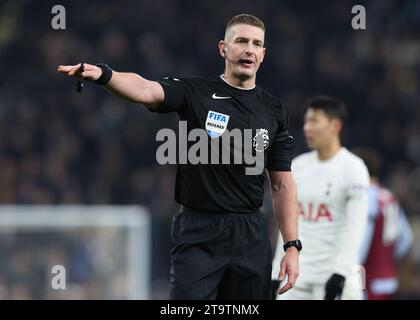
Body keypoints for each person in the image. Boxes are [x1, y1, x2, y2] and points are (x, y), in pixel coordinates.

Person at [58, 14, 300, 300]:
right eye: (241, 41)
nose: (249, 49)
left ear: (263, 54)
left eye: (256, 44)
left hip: (250, 235)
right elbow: (146, 89)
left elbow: (281, 184)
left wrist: (291, 246)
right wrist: (105, 74)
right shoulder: (195, 93)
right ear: (223, 48)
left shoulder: (273, 110)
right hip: (198, 232)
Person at [271, 95, 370, 300]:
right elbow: (287, 223)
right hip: (298, 274)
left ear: (335, 125)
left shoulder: (353, 168)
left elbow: (356, 226)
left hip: (336, 273)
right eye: (306, 121)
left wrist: (341, 272)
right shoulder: (297, 166)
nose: (307, 127)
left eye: (314, 121)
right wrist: (275, 272)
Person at [352, 147, 413, 300]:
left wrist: (354, 275)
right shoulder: (389, 198)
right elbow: (406, 238)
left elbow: (362, 241)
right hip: (387, 279)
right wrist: (387, 259)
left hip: (368, 281)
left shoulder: (366, 198)